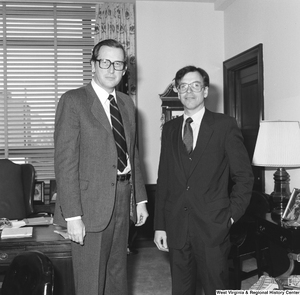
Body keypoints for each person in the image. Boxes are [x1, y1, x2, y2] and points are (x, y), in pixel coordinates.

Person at [53, 39, 148, 295]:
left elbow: (133, 154)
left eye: (118, 64)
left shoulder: (127, 104)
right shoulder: (73, 101)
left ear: (124, 69)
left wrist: (140, 199)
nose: (111, 69)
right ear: (93, 65)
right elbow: (65, 162)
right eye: (104, 62)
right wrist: (73, 216)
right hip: (89, 204)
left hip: (123, 197)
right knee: (90, 281)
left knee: (117, 273)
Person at [154, 65, 254, 295]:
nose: (189, 91)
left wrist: (230, 216)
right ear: (178, 92)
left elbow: (244, 177)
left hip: (213, 227)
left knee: (215, 289)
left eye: (196, 85)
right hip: (177, 226)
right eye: (183, 86)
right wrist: (160, 226)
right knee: (181, 290)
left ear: (206, 91)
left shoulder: (224, 126)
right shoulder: (169, 129)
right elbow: (164, 180)